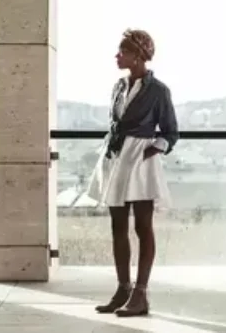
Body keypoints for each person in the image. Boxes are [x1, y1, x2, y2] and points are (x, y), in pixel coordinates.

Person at [88, 29, 179, 317]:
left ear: (138, 56)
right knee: (117, 227)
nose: (117, 56)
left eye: (122, 52)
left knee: (142, 227)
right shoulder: (117, 86)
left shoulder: (159, 90)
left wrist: (152, 151)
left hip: (140, 163)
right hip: (116, 158)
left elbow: (170, 131)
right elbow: (115, 123)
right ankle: (123, 289)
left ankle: (141, 294)